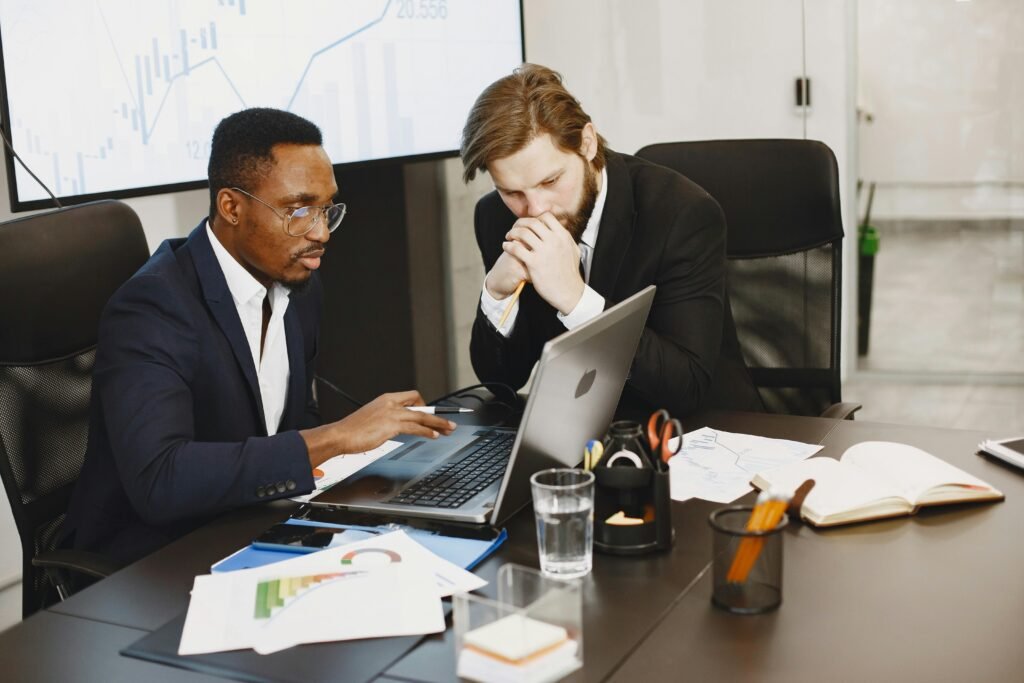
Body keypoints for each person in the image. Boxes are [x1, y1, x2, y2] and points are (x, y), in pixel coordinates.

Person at [63, 108, 455, 564]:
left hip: (250, 522)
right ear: (232, 207)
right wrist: (336, 437)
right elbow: (161, 481)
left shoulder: (299, 285)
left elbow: (293, 419)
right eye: (298, 211)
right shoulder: (153, 307)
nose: (321, 233)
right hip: (155, 557)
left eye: (326, 209)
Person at [461, 64, 762, 419]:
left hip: (697, 430)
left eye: (551, 181)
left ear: (587, 143)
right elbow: (503, 382)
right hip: (580, 429)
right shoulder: (496, 217)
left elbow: (687, 386)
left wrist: (576, 301)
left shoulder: (683, 214)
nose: (536, 209)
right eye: (512, 192)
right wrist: (496, 295)